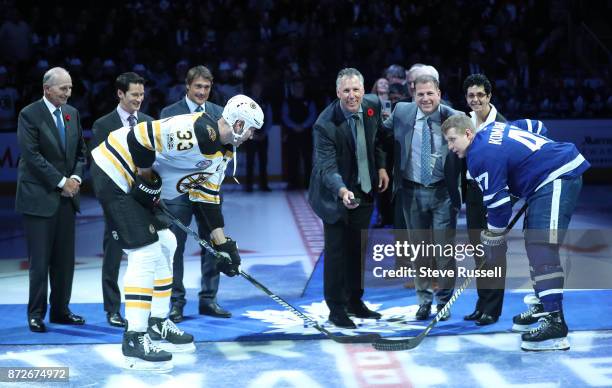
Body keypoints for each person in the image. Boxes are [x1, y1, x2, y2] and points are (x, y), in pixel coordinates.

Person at [90, 94, 263, 369]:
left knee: (167, 242)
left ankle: (158, 321)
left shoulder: (224, 152)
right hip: (115, 171)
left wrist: (223, 245)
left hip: (138, 186)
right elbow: (139, 138)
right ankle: (134, 336)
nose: (252, 136)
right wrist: (147, 179)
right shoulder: (194, 130)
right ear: (239, 124)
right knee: (145, 252)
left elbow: (206, 197)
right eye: (251, 129)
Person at [442, 114, 589, 351]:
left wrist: (492, 239)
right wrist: (536, 161)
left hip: (557, 177)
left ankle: (555, 323)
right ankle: (544, 304)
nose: (450, 147)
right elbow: (536, 126)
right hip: (548, 178)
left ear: (468, 134)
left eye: (452, 140)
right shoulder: (494, 128)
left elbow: (499, 207)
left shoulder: (479, 156)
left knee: (542, 248)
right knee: (535, 244)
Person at [308, 68, 389, 329]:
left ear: (364, 91)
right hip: (334, 194)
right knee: (336, 252)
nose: (352, 96)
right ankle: (336, 308)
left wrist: (381, 167)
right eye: (346, 91)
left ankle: (355, 301)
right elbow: (326, 168)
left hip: (364, 188)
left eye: (356, 90)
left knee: (358, 249)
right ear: (337, 92)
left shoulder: (372, 106)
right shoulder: (325, 124)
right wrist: (342, 191)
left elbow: (378, 140)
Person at [381, 74, 462, 321]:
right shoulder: (402, 112)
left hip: (443, 193)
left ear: (439, 93)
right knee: (419, 251)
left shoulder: (455, 117)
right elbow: (380, 138)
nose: (425, 98)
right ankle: (424, 301)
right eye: (420, 94)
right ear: (413, 95)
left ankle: (445, 301)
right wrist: (382, 167)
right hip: (411, 191)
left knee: (444, 252)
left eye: (430, 93)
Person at [16, 66, 87, 333]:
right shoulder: (29, 114)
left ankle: (60, 310)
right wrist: (61, 183)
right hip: (39, 198)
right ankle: (36, 314)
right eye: (63, 88)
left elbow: (81, 152)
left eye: (70, 88)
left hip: (67, 199)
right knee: (40, 262)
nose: (68, 93)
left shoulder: (72, 114)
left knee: (64, 261)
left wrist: (77, 180)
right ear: (47, 89)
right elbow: (32, 156)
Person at [159, 65, 227, 323]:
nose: (202, 92)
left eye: (206, 87)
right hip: (177, 192)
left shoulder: (219, 113)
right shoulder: (169, 113)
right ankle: (176, 303)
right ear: (187, 87)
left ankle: (209, 300)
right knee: (175, 247)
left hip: (209, 192)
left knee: (213, 243)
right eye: (198, 87)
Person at [91, 72, 153, 327]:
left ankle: (147, 308)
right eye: (134, 95)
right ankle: (112, 309)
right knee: (113, 255)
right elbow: (100, 168)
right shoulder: (102, 125)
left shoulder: (149, 122)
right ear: (120, 94)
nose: (139, 99)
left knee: (149, 256)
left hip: (145, 200)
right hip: (117, 200)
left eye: (141, 94)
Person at [461, 73, 508, 326]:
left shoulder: (501, 125)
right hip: (473, 192)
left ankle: (493, 308)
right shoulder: (464, 121)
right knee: (479, 250)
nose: (476, 99)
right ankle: (482, 303)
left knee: (494, 251)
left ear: (489, 96)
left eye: (480, 94)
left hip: (495, 192)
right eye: (471, 95)